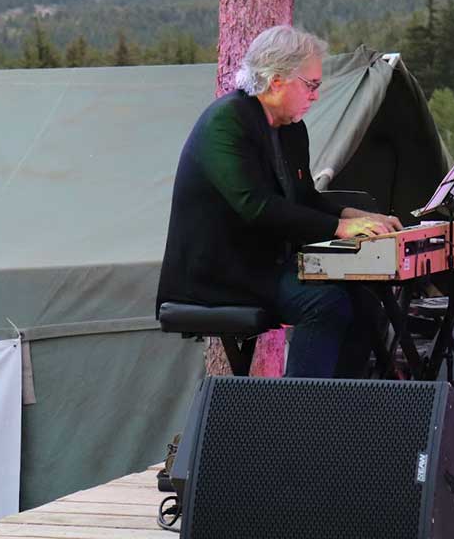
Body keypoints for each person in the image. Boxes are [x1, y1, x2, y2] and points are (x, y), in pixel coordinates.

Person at [155, 25, 402, 378]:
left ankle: (337, 412)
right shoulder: (225, 122)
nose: (316, 96)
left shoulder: (290, 128)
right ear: (276, 81)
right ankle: (295, 421)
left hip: (266, 264)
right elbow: (256, 207)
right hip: (219, 272)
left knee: (366, 305)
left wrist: (355, 215)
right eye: (312, 85)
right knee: (324, 304)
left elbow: (303, 199)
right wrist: (341, 228)